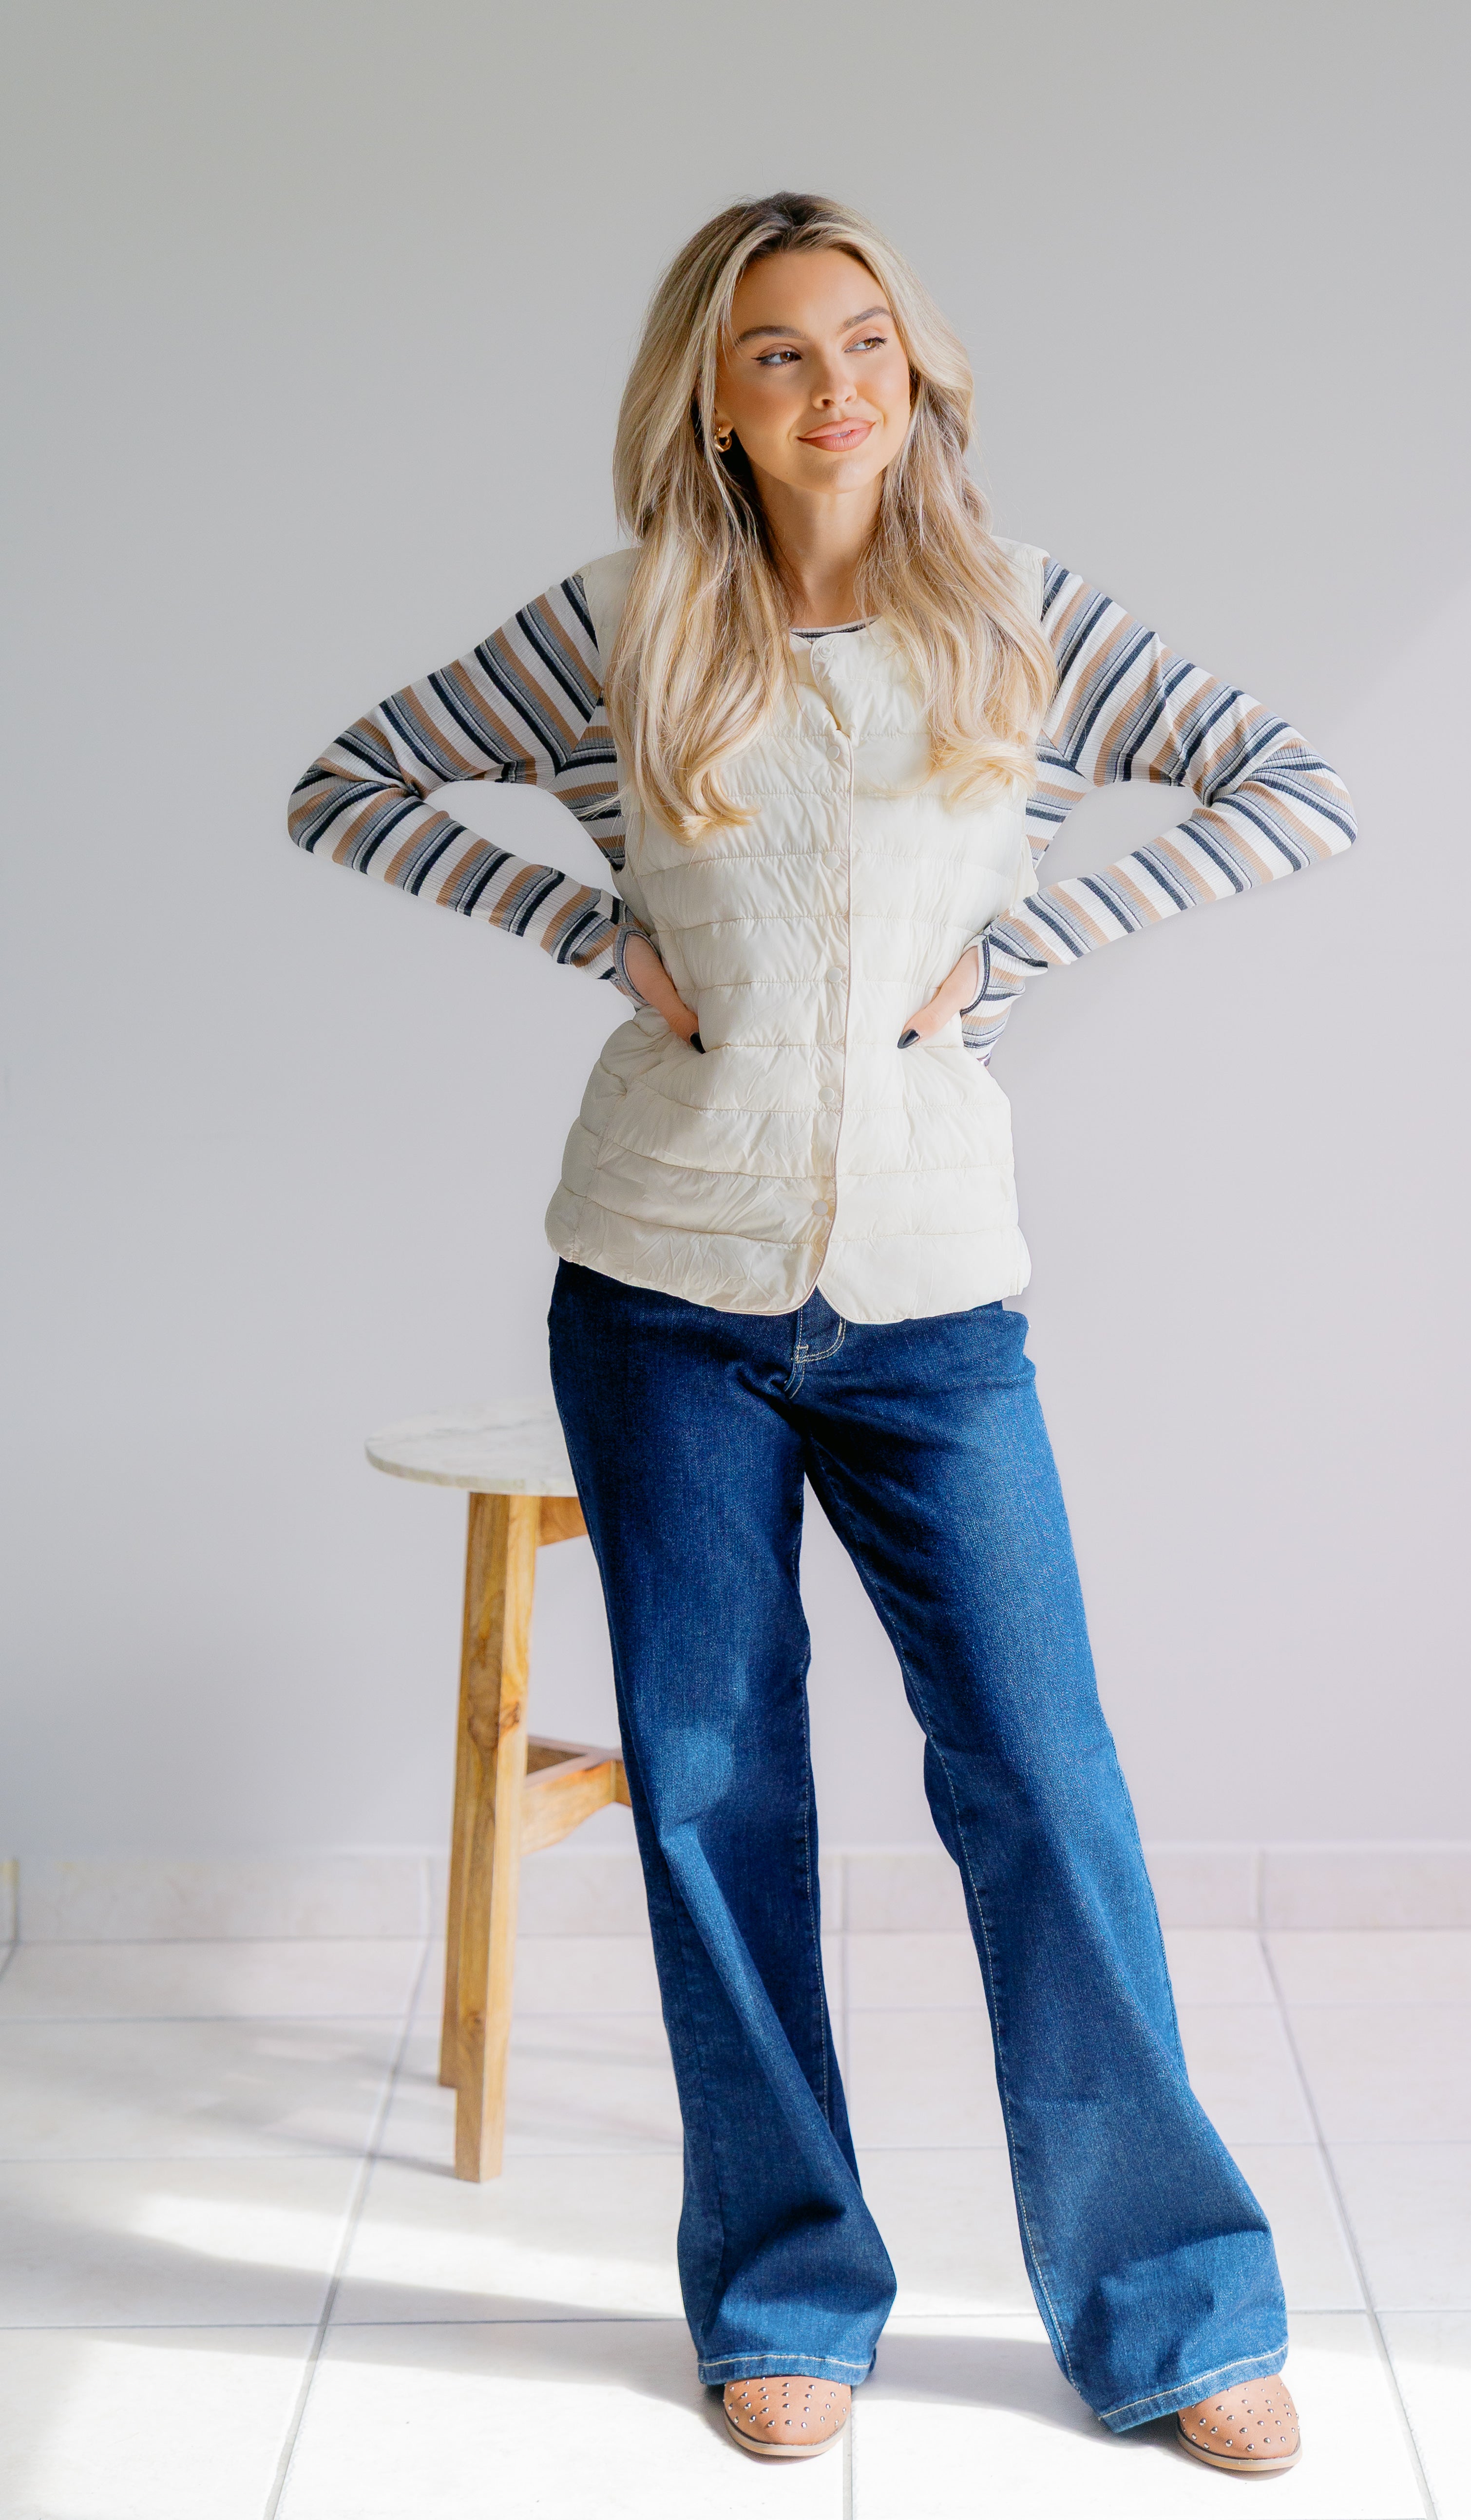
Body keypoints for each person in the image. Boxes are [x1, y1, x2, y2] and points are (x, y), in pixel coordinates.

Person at [290, 191, 1352, 2475]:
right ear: (714, 398)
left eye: (861, 339)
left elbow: (1292, 785)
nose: (831, 385)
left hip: (934, 1303)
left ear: (918, 366)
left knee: (1041, 1785)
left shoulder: (1020, 620)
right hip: (657, 1292)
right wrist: (592, 933)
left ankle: (1174, 2310)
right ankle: (782, 2292)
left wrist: (1017, 956)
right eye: (776, 352)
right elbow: (345, 786)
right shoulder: (623, 627)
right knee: (709, 1790)